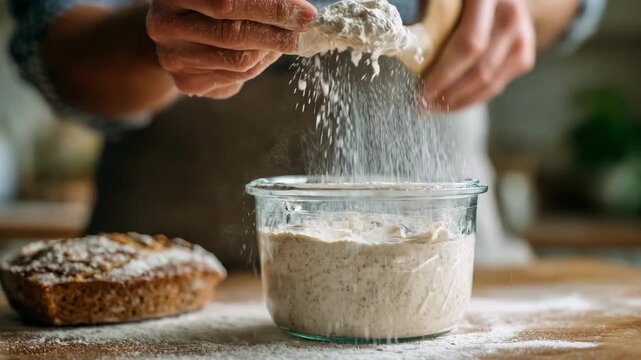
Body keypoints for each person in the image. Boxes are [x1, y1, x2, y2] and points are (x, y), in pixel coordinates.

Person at [8, 0, 605, 268]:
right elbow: (55, 44)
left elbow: (575, 6)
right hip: (180, 282)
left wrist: (517, 7)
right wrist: (154, 41)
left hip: (458, 273)